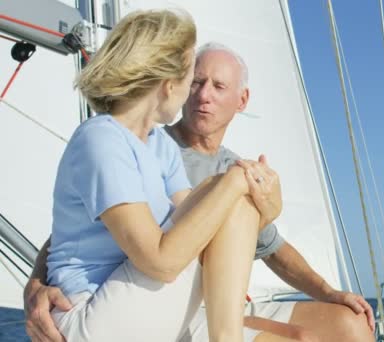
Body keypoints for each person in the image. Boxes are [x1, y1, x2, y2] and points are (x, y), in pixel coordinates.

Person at [24, 41, 376, 341]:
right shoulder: (145, 145)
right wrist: (36, 286)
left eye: (218, 87)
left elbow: (272, 247)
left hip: (224, 299)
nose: (204, 96)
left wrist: (330, 293)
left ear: (242, 100)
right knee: (298, 339)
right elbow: (66, 235)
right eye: (196, 83)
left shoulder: (235, 168)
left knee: (352, 327)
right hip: (156, 300)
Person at [34, 10, 283, 342]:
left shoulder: (158, 145)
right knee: (224, 190)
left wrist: (265, 204)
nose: (196, 93)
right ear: (168, 83)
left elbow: (202, 220)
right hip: (87, 316)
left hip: (134, 303)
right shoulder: (101, 139)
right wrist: (238, 181)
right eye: (192, 77)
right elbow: (160, 263)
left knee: (219, 193)